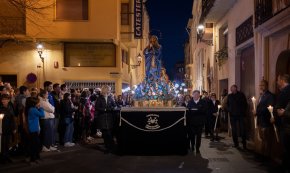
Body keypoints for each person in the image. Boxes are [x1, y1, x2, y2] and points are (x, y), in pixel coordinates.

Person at [253, 80, 275, 158]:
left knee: (267, 140)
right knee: (262, 139)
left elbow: (268, 108)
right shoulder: (262, 95)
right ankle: (262, 155)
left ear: (266, 86)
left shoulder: (270, 96)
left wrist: (257, 112)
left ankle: (266, 157)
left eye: (263, 85)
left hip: (266, 121)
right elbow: (260, 106)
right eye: (260, 85)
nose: (261, 87)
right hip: (260, 121)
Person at [274, 74, 290, 173]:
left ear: (283, 80)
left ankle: (285, 168)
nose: (277, 82)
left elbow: (279, 106)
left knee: (286, 147)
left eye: (278, 80)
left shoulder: (285, 92)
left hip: (285, 124)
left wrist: (276, 113)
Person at [95, 85, 117, 154]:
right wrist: (105, 109)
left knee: (110, 133)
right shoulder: (99, 98)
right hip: (102, 118)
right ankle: (107, 148)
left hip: (110, 118)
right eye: (109, 90)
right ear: (105, 90)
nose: (110, 91)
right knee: (105, 134)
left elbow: (114, 105)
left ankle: (111, 147)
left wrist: (114, 108)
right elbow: (97, 107)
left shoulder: (110, 97)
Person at [227, 84, 248, 149]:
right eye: (231, 89)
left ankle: (244, 144)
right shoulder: (229, 96)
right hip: (232, 115)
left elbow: (245, 104)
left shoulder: (241, 95)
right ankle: (236, 144)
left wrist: (243, 112)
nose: (232, 90)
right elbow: (227, 104)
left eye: (233, 88)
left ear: (236, 88)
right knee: (234, 130)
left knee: (242, 129)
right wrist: (229, 110)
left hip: (240, 115)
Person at [26, 96, 45, 164]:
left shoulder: (31, 109)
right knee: (34, 145)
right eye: (38, 103)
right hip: (33, 129)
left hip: (33, 129)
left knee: (35, 144)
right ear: (34, 103)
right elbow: (42, 114)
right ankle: (33, 159)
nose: (39, 103)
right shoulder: (33, 109)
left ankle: (35, 157)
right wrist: (41, 108)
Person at [0, 94, 16, 164]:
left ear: (8, 100)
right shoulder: (0, 108)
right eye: (2, 99)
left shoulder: (10, 107)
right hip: (2, 128)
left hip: (9, 128)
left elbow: (13, 118)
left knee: (8, 143)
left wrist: (14, 128)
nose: (4, 101)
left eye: (5, 99)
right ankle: (3, 158)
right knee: (2, 144)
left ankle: (7, 157)